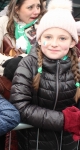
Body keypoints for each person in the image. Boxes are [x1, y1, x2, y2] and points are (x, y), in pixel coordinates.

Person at [9, 0, 80, 149]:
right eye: (48, 37)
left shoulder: (77, 67)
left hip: (69, 144)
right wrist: (64, 120)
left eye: (62, 38)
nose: (54, 43)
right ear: (39, 39)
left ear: (73, 41)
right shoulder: (28, 65)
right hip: (34, 144)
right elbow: (20, 107)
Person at [0, 0, 46, 81]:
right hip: (11, 82)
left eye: (38, 6)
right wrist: (11, 63)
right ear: (17, 9)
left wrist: (22, 61)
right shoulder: (4, 22)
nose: (37, 11)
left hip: (40, 82)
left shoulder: (45, 23)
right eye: (30, 7)